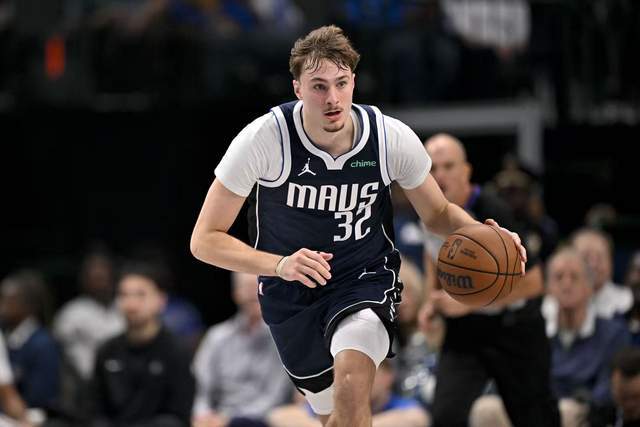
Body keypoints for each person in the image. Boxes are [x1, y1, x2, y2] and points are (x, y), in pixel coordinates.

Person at [190, 25, 526, 427]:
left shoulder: (388, 138)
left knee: (351, 388)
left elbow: (437, 213)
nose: (332, 98)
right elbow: (204, 240)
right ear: (297, 89)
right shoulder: (265, 139)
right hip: (290, 294)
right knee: (337, 418)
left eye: (341, 83)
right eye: (318, 86)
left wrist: (485, 235)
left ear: (354, 81)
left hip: (363, 277)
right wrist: (280, 264)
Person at [419, 133, 559, 427]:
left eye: (448, 166)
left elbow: (535, 282)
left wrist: (466, 304)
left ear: (466, 171)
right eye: (432, 168)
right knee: (444, 417)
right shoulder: (426, 208)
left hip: (514, 329)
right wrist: (431, 300)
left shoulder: (495, 211)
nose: (439, 175)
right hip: (466, 334)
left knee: (536, 418)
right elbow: (434, 254)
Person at [470, 247, 630, 427]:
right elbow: (510, 377)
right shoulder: (533, 330)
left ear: (589, 287)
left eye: (574, 277)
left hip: (581, 410)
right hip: (536, 407)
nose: (566, 285)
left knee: (565, 412)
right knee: (486, 409)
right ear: (548, 288)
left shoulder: (613, 333)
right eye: (559, 277)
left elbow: (609, 387)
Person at [89, 261, 195, 427]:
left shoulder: (176, 351)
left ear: (161, 300)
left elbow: (179, 416)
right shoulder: (107, 351)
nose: (131, 305)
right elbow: (94, 412)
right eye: (123, 295)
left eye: (140, 295)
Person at [191, 272, 290, 427]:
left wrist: (232, 420)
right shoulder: (217, 337)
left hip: (265, 420)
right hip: (217, 419)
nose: (253, 294)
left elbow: (275, 397)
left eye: (257, 286)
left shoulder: (283, 338)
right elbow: (199, 388)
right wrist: (204, 415)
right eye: (247, 287)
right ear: (236, 293)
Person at [267, 359, 430, 427]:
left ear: (388, 376)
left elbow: (417, 419)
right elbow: (279, 416)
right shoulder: (338, 404)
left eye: (366, 371)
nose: (356, 378)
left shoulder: (399, 405)